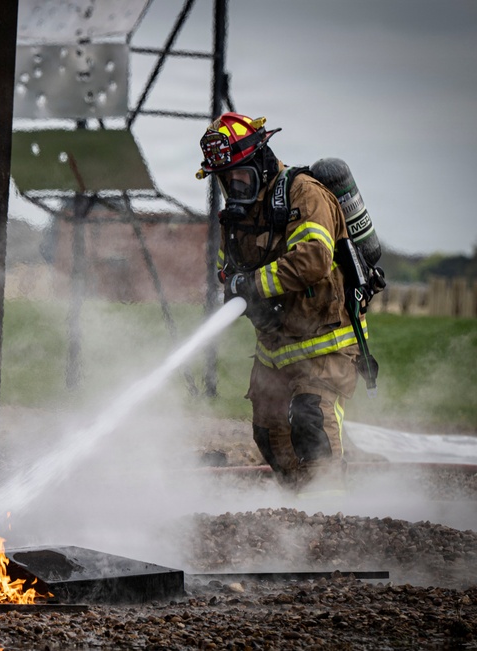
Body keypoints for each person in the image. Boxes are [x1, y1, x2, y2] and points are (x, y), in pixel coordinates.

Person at [195, 112, 364, 496]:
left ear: (262, 162)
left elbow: (314, 259)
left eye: (241, 176)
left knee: (311, 421)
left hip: (324, 339)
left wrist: (252, 285)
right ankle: (297, 507)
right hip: (274, 346)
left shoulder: (304, 193)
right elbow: (228, 270)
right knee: (269, 433)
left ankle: (330, 510)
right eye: (227, 180)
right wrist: (232, 285)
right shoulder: (236, 214)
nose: (235, 186)